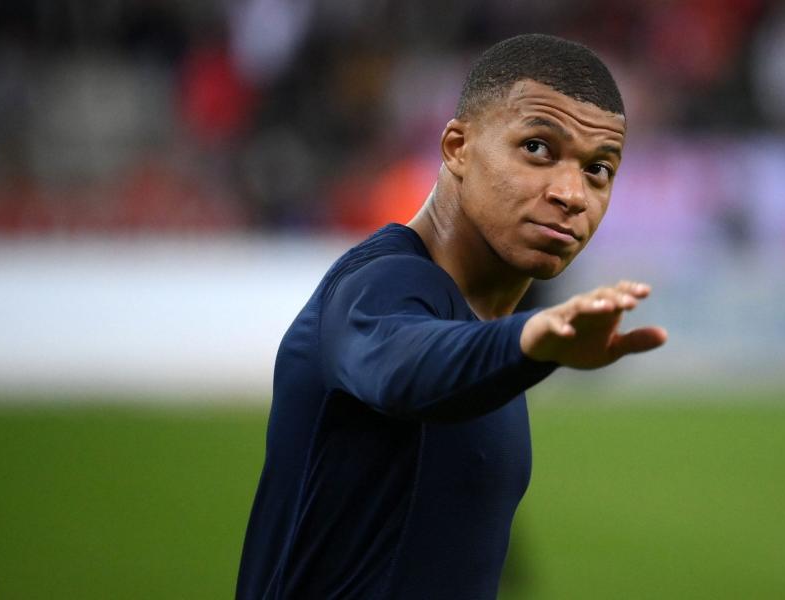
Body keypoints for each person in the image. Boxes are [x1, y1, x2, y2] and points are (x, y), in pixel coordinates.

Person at [236, 33, 667, 599]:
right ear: (457, 146)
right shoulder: (385, 283)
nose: (571, 194)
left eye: (598, 170)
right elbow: (401, 364)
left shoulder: (481, 326)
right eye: (537, 148)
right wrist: (528, 341)